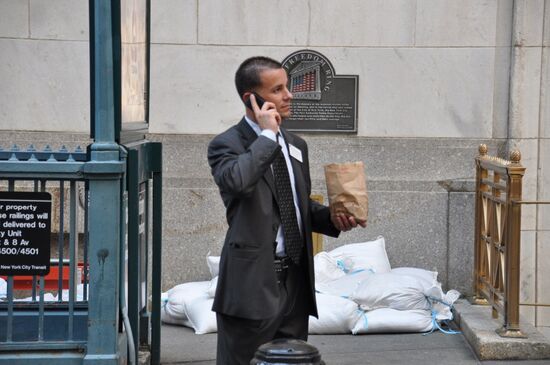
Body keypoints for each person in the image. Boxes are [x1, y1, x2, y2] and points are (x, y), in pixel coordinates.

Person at [207, 56, 365, 365]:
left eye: (287, 87)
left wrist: (332, 217)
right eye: (278, 89)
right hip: (252, 285)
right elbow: (239, 183)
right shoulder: (226, 144)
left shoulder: (296, 144)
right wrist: (267, 136)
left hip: (295, 282)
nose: (289, 95)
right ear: (251, 99)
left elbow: (295, 204)